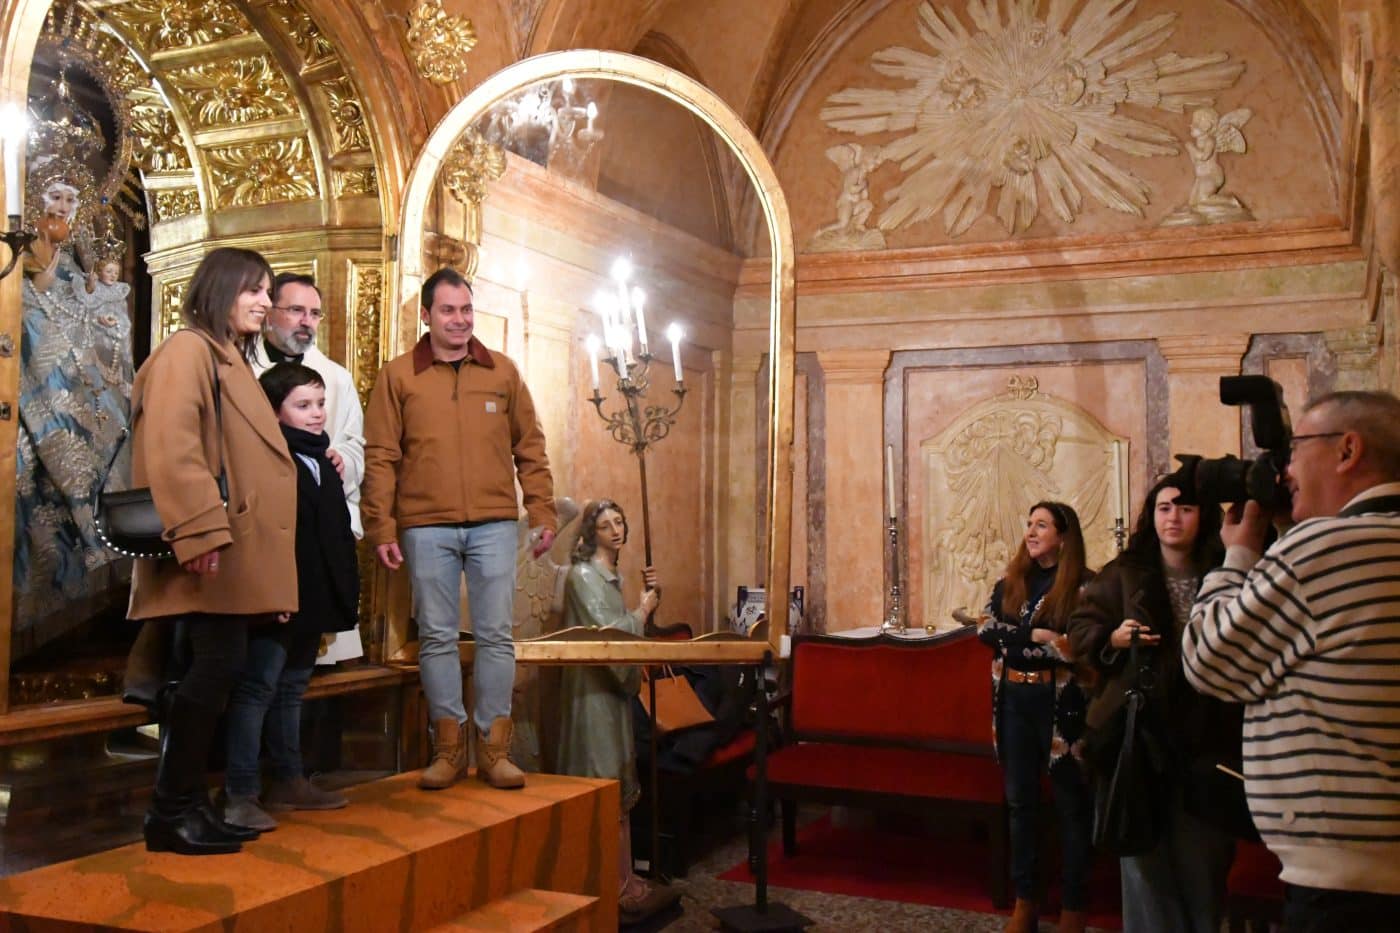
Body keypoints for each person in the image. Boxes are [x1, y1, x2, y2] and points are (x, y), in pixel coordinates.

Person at [1183, 390, 1400, 931]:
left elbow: (1209, 658)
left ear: (1348, 450)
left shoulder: (1327, 548)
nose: (1285, 469)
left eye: (1296, 449)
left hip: (1347, 884)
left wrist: (1239, 553)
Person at [127, 247, 298, 855]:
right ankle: (171, 811)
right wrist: (198, 531)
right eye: (253, 289)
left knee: (213, 672)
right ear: (220, 287)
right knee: (213, 669)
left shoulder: (226, 358)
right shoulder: (188, 350)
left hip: (233, 550)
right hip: (209, 545)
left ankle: (187, 804)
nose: (264, 301)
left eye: (267, 290)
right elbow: (173, 447)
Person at [362, 266, 557, 791]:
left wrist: (541, 512)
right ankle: (447, 750)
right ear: (426, 316)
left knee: (497, 637)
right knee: (438, 639)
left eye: (466, 309)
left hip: (495, 523)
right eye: (448, 310)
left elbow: (531, 449)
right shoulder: (399, 375)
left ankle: (495, 751)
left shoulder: (503, 372)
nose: (459, 319)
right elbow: (380, 457)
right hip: (425, 527)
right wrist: (380, 527)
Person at [1068, 479, 1240, 933]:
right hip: (1139, 737)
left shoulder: (1226, 569)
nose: (1173, 518)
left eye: (1184, 508)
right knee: (1145, 863)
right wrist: (1114, 639)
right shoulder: (1127, 571)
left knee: (1203, 862)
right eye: (1164, 508)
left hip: (1208, 734)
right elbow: (1081, 629)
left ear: (1202, 515)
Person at [221, 363, 360, 831]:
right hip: (276, 595)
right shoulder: (266, 458)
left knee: (291, 690)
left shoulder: (322, 459)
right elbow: (260, 533)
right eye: (303, 406)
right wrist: (270, 591)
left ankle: (288, 779)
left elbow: (331, 534)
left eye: (320, 404)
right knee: (257, 688)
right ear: (275, 412)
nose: (317, 414)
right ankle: (240, 790)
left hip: (311, 596)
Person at [556, 499, 679, 924]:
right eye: (605, 524)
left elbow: (624, 630)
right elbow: (607, 638)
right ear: (590, 533)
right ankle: (606, 884)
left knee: (618, 786)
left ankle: (623, 880)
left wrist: (646, 606)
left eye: (620, 521)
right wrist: (642, 609)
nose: (615, 529)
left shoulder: (608, 576)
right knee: (602, 784)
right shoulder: (583, 577)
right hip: (591, 696)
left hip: (612, 696)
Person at [977, 501, 1093, 933]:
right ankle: (1026, 902)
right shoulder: (1012, 582)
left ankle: (1074, 909)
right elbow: (984, 630)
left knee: (1070, 807)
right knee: (1020, 804)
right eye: (1029, 523)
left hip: (1060, 707)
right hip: (1013, 703)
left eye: (1042, 525)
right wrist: (1036, 637)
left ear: (1064, 536)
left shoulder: (1084, 586)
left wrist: (1029, 642)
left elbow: (1075, 646)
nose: (1031, 531)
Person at [250, 272, 366, 664]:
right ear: (269, 313)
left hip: (319, 529)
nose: (306, 321)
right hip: (267, 532)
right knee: (260, 673)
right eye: (296, 310)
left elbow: (354, 442)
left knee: (308, 674)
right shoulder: (240, 368)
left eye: (314, 313)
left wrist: (344, 460)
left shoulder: (335, 377)